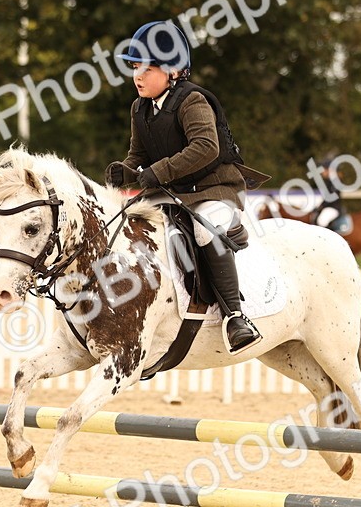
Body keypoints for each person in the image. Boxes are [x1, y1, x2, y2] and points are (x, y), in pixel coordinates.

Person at [104, 20, 268, 353]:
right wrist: (124, 171)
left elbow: (206, 147)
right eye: (135, 67)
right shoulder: (140, 108)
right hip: (170, 194)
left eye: (148, 68)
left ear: (174, 70)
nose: (138, 75)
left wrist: (158, 171)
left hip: (212, 188)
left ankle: (235, 316)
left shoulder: (192, 101)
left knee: (205, 230)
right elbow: (138, 155)